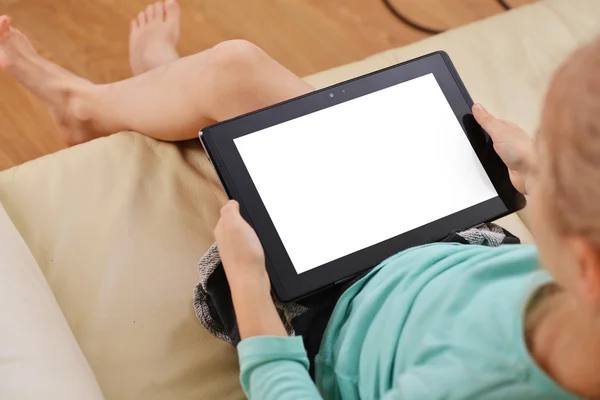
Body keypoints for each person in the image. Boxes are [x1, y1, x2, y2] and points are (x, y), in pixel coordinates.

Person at [1, 2, 599, 398]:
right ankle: (152, 83)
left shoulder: (468, 383)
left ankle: (87, 102)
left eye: (553, 179)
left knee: (240, 89)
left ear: (583, 264)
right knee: (237, 70)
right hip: (450, 243)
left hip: (330, 304)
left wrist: (251, 293)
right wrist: (533, 173)